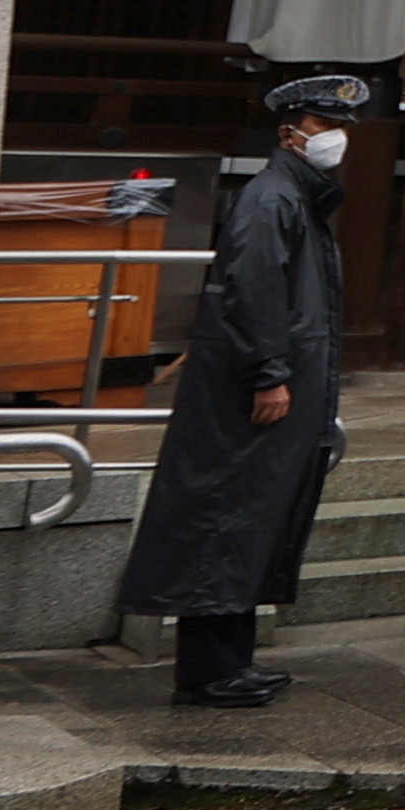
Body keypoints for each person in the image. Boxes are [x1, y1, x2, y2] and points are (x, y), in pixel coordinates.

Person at [121, 72, 368, 707]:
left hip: (277, 383)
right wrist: (271, 374)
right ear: (290, 133)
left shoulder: (295, 197)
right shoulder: (273, 200)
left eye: (340, 127)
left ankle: (231, 660)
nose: (336, 137)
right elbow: (251, 293)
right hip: (254, 389)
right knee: (227, 514)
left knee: (249, 518)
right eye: (323, 126)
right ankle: (208, 671)